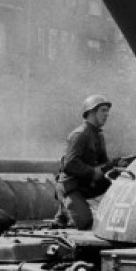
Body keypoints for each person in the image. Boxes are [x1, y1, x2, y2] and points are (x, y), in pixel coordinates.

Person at [55, 95, 114, 230]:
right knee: (85, 223)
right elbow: (69, 164)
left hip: (84, 183)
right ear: (91, 112)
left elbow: (104, 162)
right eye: (103, 110)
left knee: (112, 182)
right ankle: (66, 207)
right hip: (70, 185)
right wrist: (93, 172)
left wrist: (116, 166)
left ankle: (68, 210)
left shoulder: (98, 135)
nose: (107, 114)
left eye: (107, 111)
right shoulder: (80, 134)